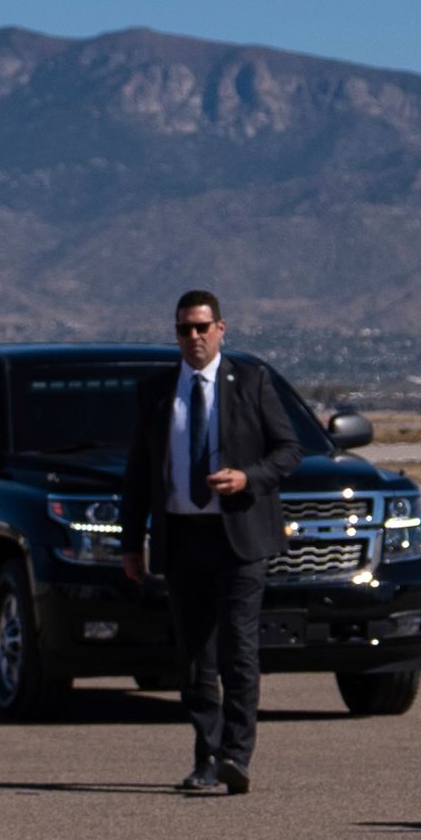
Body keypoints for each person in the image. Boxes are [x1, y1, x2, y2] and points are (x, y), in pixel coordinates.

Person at [118, 292, 304, 794]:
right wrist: (130, 541)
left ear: (222, 328)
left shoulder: (250, 382)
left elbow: (289, 449)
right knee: (195, 655)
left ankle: (237, 756)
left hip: (239, 537)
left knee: (237, 650)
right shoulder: (157, 392)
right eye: (184, 330)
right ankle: (207, 755)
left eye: (202, 328)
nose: (194, 338)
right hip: (182, 537)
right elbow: (137, 472)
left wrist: (249, 477)